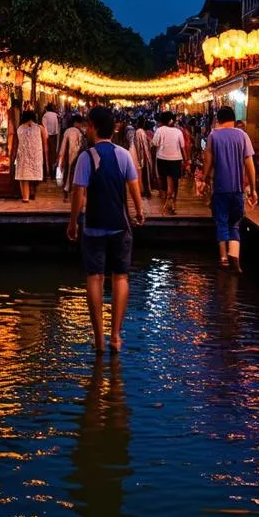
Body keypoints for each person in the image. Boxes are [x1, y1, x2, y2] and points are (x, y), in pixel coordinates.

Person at [67, 106, 145, 353]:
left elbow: (79, 194)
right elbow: (134, 187)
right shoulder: (123, 155)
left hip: (93, 227)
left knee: (95, 277)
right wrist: (139, 211)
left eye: (88, 125)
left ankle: (99, 338)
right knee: (120, 276)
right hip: (120, 225)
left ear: (94, 127)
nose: (87, 130)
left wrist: (72, 223)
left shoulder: (86, 157)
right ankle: (115, 337)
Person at [202, 106, 257, 273]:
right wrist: (253, 189)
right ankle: (235, 258)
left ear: (218, 120)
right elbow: (250, 165)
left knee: (221, 222)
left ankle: (224, 258)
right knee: (234, 224)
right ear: (233, 119)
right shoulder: (243, 136)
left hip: (220, 188)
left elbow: (208, 162)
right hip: (238, 189)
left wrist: (205, 180)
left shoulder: (213, 136)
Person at [152, 111, 186, 215]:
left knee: (163, 180)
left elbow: (154, 144)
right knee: (175, 181)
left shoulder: (159, 130)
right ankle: (173, 202)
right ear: (171, 120)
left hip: (162, 158)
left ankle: (165, 202)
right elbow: (183, 147)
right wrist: (186, 160)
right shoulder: (178, 131)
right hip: (176, 159)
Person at [12, 110, 49, 203]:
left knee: (23, 177)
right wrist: (47, 161)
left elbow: (15, 145)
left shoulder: (19, 128)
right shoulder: (40, 128)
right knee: (35, 176)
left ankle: (25, 197)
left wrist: (13, 157)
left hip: (23, 156)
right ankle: (32, 190)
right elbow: (45, 146)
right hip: (36, 156)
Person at [57, 114, 88, 199]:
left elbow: (63, 145)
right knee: (73, 173)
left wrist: (61, 157)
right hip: (77, 155)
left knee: (68, 172)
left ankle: (66, 193)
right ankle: (71, 192)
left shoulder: (68, 131)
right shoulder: (77, 131)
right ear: (76, 123)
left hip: (70, 155)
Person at [133, 116, 156, 199]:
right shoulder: (140, 132)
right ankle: (146, 191)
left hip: (144, 156)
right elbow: (142, 146)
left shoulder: (140, 131)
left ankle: (146, 191)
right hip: (144, 157)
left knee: (144, 175)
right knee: (145, 175)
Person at [42, 103, 61, 180]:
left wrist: (46, 135)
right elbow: (57, 127)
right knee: (53, 153)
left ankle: (48, 171)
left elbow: (44, 126)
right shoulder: (55, 115)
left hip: (47, 136)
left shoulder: (45, 115)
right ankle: (53, 171)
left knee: (47, 154)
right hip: (54, 136)